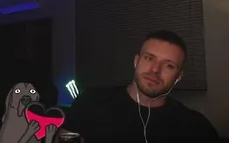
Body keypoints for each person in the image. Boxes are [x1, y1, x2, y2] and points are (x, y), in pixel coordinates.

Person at [62, 31, 219, 143]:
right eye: (149, 58)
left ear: (178, 77)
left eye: (169, 65)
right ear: (136, 61)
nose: (155, 70)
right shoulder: (91, 102)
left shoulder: (196, 127)